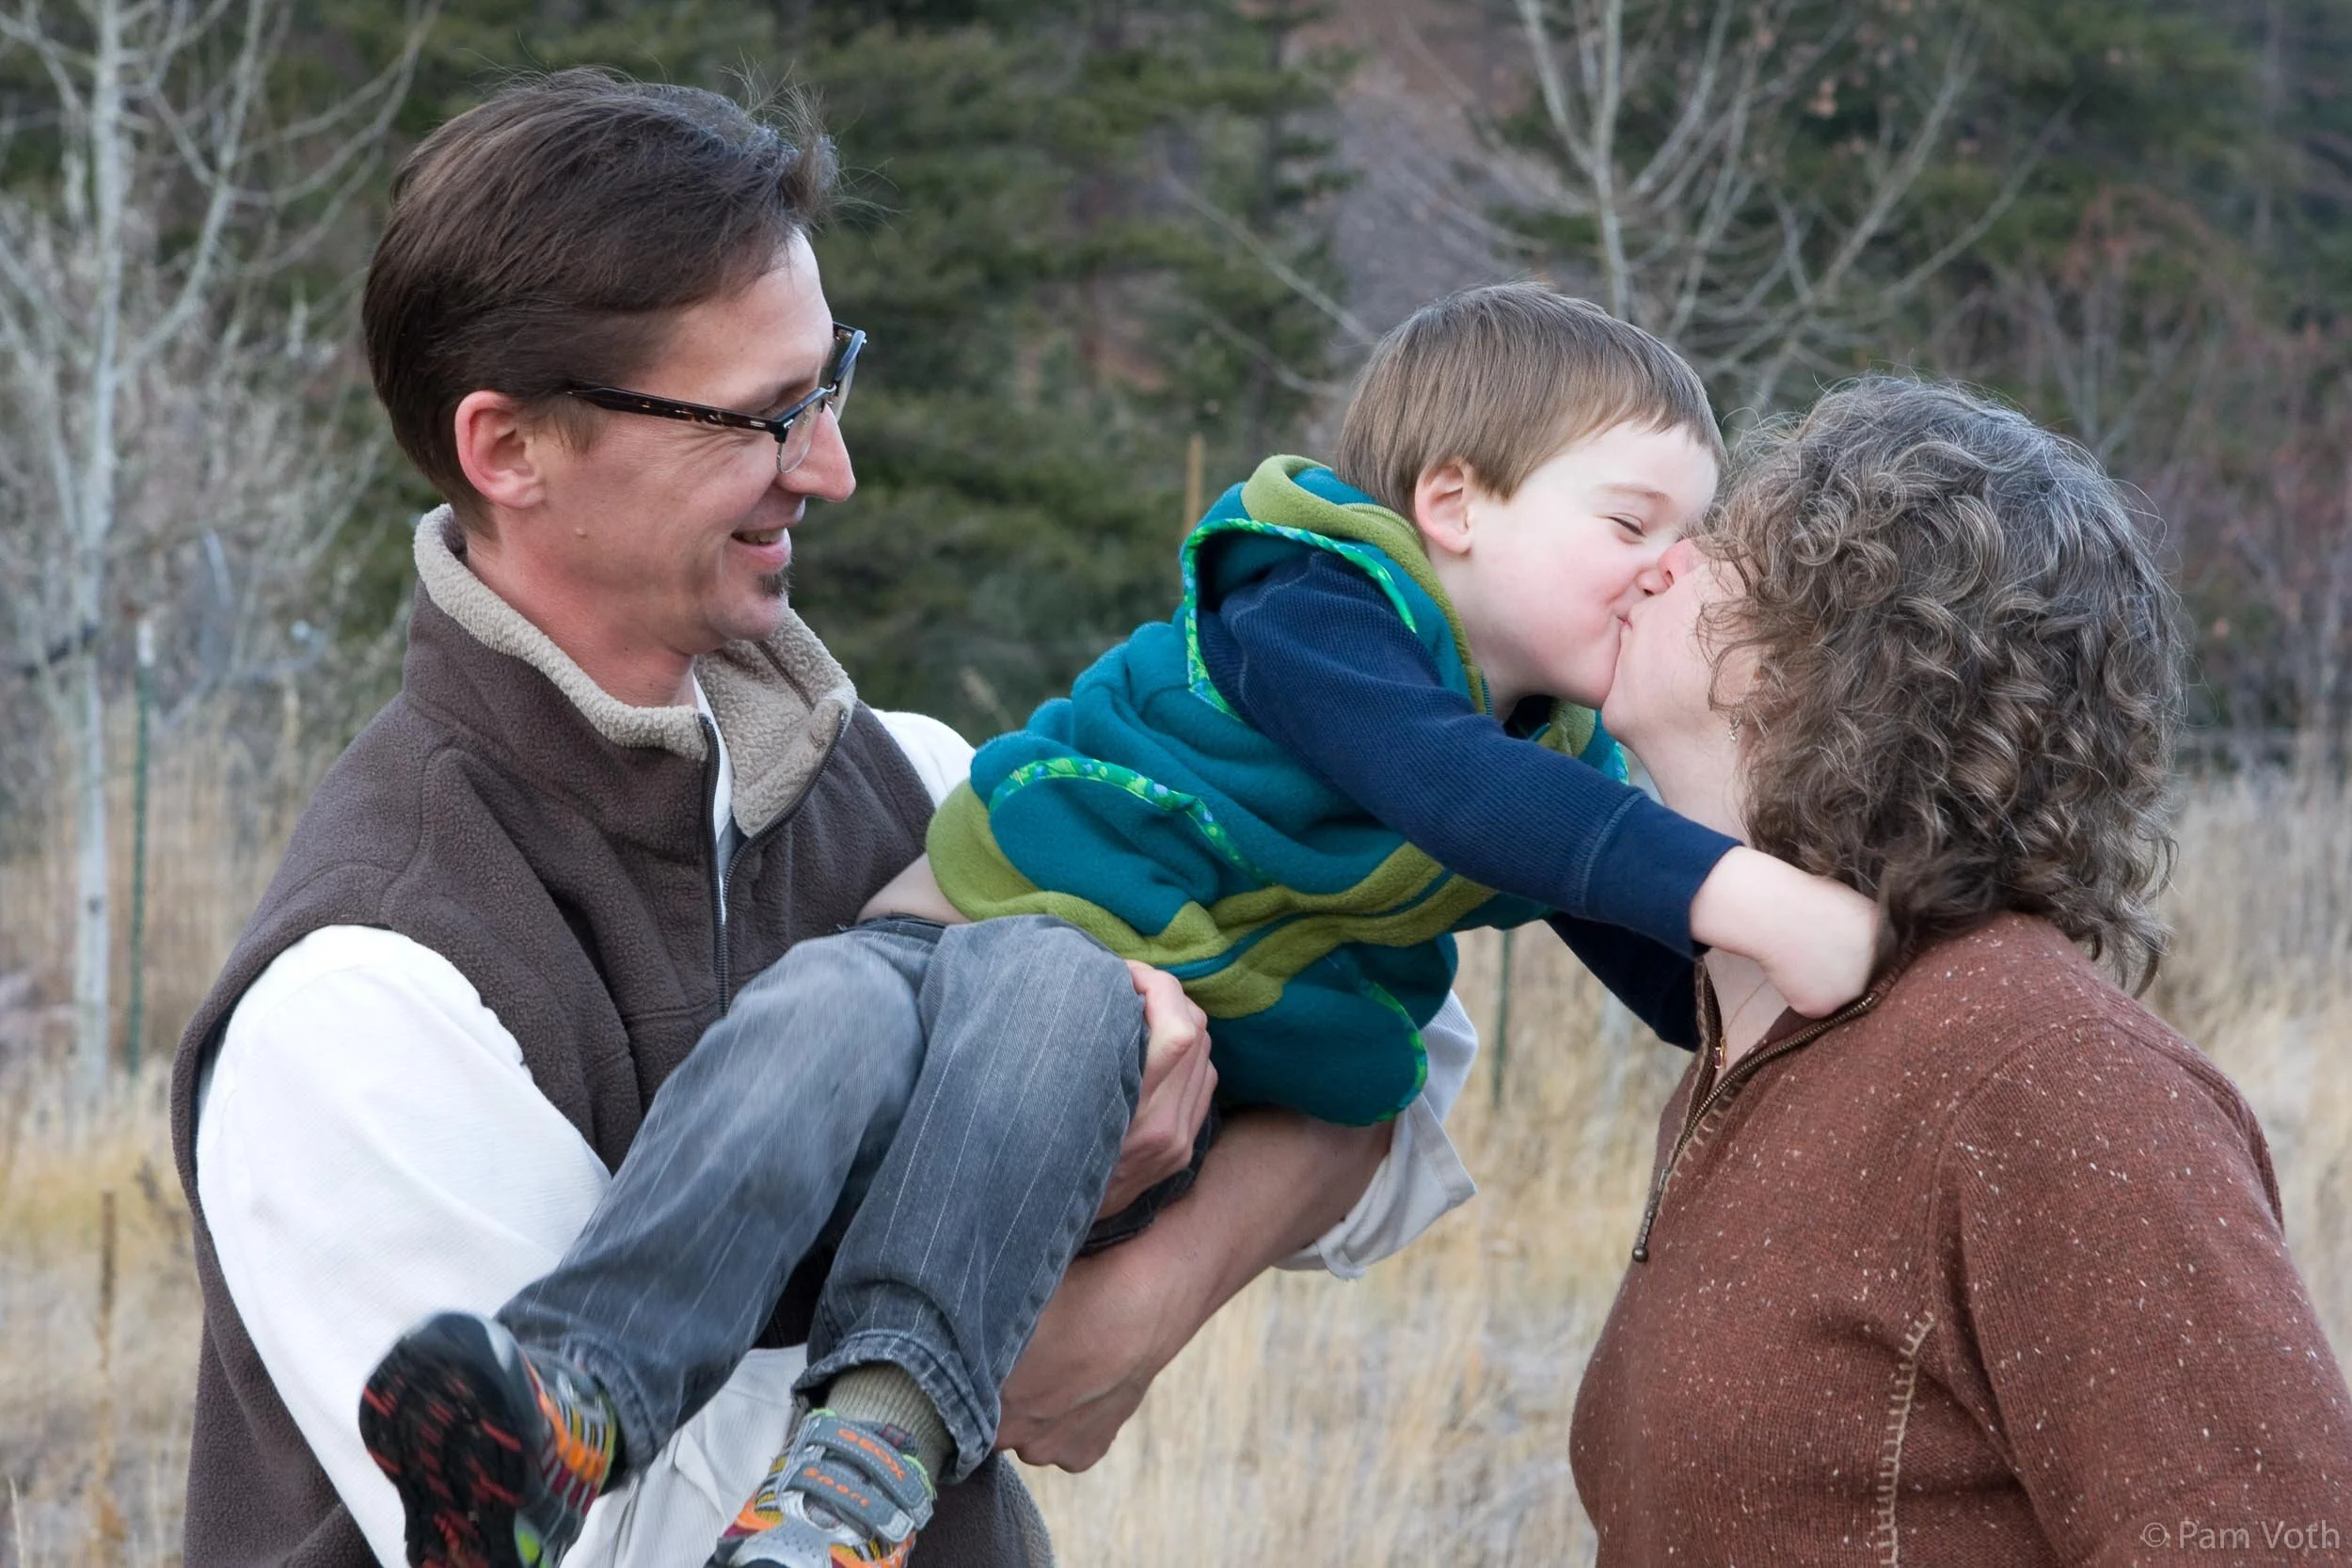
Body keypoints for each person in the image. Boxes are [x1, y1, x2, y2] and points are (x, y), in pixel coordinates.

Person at [355, 277, 1883, 1568]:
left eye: (1691, 538)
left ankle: (858, 1470)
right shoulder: (1312, 592)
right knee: (818, 1003)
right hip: (952, 943)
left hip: (1090, 1044)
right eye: (1632, 519)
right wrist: (1739, 889)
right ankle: (567, 1411)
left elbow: (1682, 977)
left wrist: (1844, 954)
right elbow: (1445, 784)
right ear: (1455, 505)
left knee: (1060, 985)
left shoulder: (1555, 760)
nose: (1667, 570)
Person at [165, 71, 1467, 1568]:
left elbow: (1398, 1052)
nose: (832, 465)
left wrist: (1152, 1279)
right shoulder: (370, 984)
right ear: (509, 449)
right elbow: (622, 1541)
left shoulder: (915, 783)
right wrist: (998, 1248)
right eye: (762, 418)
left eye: (827, 383)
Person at [1568, 375, 2352, 1562]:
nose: (1661, 561)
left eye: (1727, 546)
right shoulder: (1763, 1041)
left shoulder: (2045, 1080)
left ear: (1838, 661)